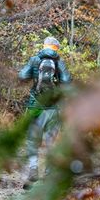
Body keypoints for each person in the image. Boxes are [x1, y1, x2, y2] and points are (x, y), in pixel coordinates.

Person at [18, 36, 71, 186]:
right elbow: (67, 82)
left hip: (35, 107)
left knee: (32, 140)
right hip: (53, 108)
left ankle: (33, 170)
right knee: (50, 142)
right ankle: (48, 175)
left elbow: (22, 75)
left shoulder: (35, 59)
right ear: (56, 48)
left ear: (44, 45)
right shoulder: (59, 62)